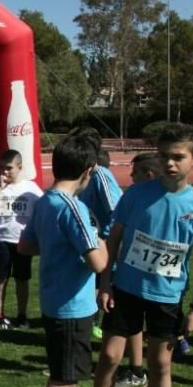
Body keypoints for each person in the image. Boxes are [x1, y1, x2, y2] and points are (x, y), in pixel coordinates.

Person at [74, 124, 193, 387]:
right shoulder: (136, 195)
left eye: (178, 157)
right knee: (108, 356)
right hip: (126, 289)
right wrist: (105, 282)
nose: (170, 163)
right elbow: (115, 240)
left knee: (160, 365)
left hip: (166, 297)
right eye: (165, 156)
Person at [14, 135, 106, 387]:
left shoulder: (45, 201)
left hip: (57, 303)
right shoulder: (72, 207)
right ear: (89, 171)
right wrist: (104, 242)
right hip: (71, 307)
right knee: (63, 380)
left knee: (69, 377)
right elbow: (97, 261)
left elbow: (25, 245)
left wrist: (56, 245)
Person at [113, 152, 163, 387]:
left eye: (135, 173)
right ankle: (136, 369)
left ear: (149, 174)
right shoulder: (132, 197)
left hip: (159, 286)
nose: (130, 177)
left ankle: (140, 371)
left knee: (160, 354)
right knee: (131, 330)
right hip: (131, 279)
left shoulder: (179, 201)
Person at [70, 127, 122, 341]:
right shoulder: (84, 175)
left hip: (106, 243)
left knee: (105, 285)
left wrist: (109, 241)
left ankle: (103, 325)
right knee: (90, 283)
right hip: (90, 239)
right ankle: (91, 322)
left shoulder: (101, 175)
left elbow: (117, 210)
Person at [0, 150, 43, 331]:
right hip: (2, 239)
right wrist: (1, 190)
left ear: (20, 167)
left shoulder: (31, 189)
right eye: (2, 168)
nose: (5, 172)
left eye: (9, 168)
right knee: (1, 278)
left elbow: (43, 210)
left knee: (22, 279)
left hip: (23, 241)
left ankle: (22, 315)